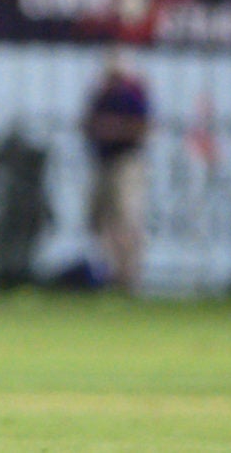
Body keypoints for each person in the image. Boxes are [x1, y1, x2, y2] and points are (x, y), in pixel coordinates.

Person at [81, 47, 150, 294]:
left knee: (126, 219)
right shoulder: (101, 96)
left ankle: (129, 277)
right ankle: (110, 273)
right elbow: (87, 124)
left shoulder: (133, 95)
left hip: (126, 163)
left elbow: (142, 128)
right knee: (101, 219)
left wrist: (113, 129)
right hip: (103, 163)